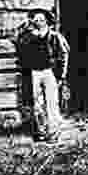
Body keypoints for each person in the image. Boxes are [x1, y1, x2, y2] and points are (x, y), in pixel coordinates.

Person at [15, 9, 70, 142]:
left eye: (41, 20)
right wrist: (25, 31)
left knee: (51, 103)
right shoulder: (29, 37)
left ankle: (53, 133)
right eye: (36, 20)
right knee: (38, 104)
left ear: (47, 22)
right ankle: (41, 131)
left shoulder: (54, 37)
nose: (38, 23)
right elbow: (18, 43)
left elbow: (64, 55)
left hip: (49, 72)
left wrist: (61, 75)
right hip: (35, 73)